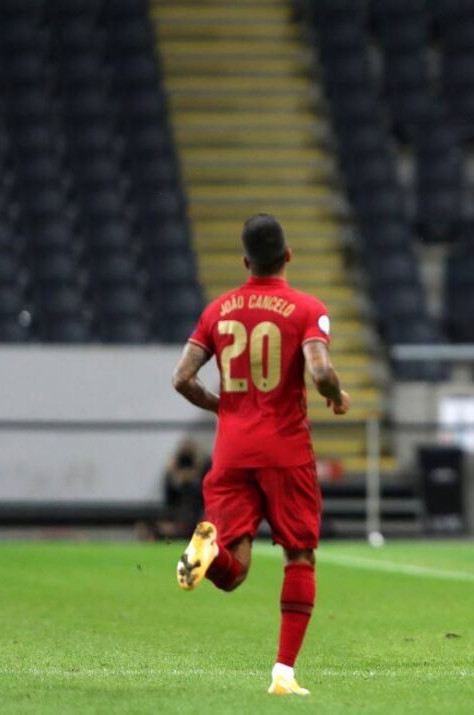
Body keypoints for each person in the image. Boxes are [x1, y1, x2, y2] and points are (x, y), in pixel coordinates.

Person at [170, 213, 351, 697]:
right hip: (285, 449)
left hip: (231, 450)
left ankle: (206, 549)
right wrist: (335, 394)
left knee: (234, 571)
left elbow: (182, 378)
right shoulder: (306, 308)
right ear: (288, 255)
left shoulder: (218, 311)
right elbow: (318, 369)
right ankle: (283, 673)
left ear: (246, 260)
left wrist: (223, 406)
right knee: (300, 556)